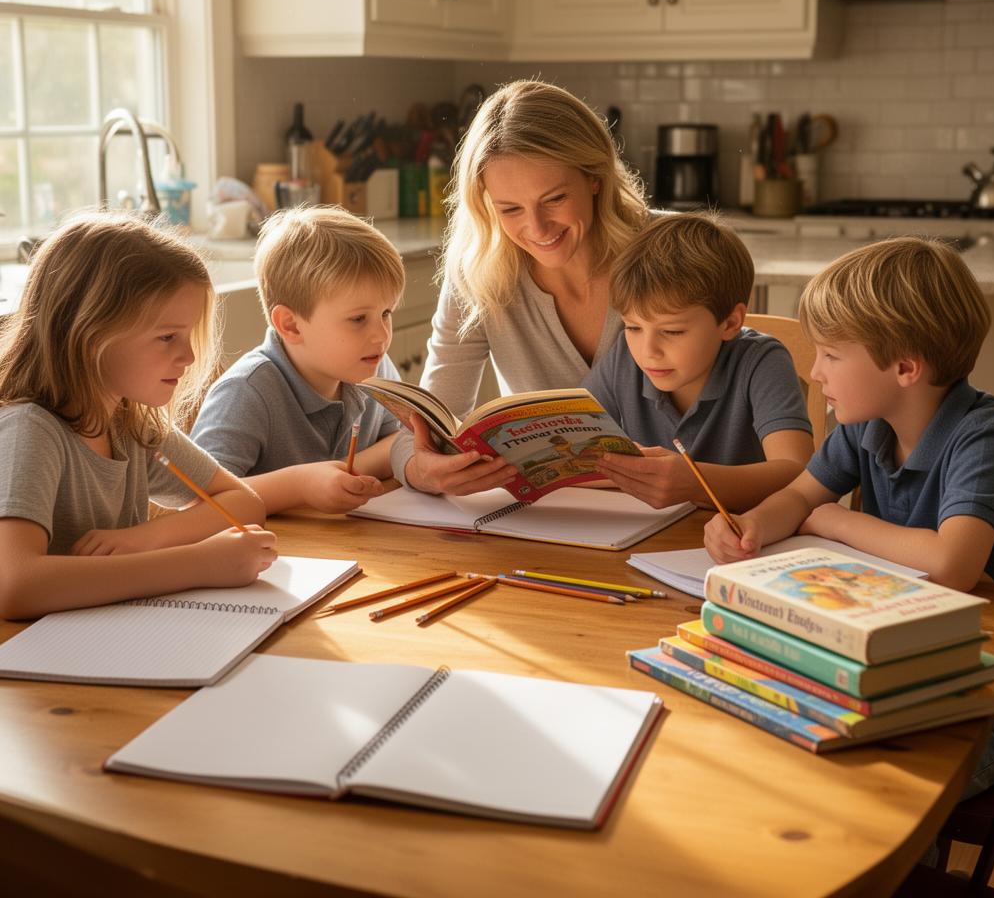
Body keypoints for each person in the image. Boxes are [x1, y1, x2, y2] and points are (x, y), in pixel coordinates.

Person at [704, 236, 994, 796]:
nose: (817, 374)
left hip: (986, 698)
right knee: (762, 737)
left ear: (904, 367)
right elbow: (800, 497)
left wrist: (834, 521)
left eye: (830, 354)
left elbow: (953, 564)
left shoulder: (982, 432)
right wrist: (752, 522)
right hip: (891, 661)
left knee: (861, 791)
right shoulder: (863, 422)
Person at [0, 215, 275, 620]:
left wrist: (143, 540)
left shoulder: (130, 424)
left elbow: (243, 504)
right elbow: (16, 586)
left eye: (187, 335)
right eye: (167, 337)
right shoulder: (30, 430)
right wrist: (198, 564)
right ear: (90, 333)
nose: (189, 357)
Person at [394, 79, 650, 495]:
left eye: (554, 199)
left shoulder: (669, 252)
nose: (537, 228)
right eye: (509, 209)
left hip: (685, 515)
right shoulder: (478, 273)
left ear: (595, 178)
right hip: (550, 519)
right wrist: (420, 469)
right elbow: (421, 428)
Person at [585, 213, 813, 510]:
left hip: (746, 542)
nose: (648, 349)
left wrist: (696, 482)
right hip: (648, 540)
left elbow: (798, 472)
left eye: (672, 331)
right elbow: (573, 451)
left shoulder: (761, 361)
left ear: (730, 323)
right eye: (633, 327)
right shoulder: (624, 359)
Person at [191, 207, 404, 515]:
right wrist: (303, 485)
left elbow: (401, 437)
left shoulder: (373, 367)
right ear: (290, 325)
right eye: (358, 319)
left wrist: (347, 470)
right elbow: (202, 499)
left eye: (386, 313)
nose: (381, 335)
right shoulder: (245, 392)